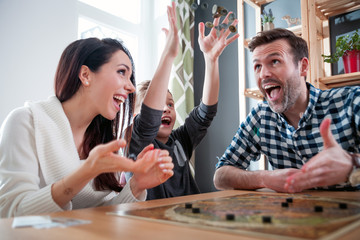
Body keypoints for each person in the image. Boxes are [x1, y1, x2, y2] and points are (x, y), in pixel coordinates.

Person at [0, 21, 176, 217]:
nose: (131, 87)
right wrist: (85, 173)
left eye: (130, 77)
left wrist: (136, 185)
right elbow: (10, 214)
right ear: (85, 75)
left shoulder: (103, 139)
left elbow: (103, 213)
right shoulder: (25, 122)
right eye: (121, 72)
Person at [213, 28, 360, 193]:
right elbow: (221, 176)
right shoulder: (260, 118)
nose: (264, 74)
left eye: (275, 61)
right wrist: (264, 178)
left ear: (303, 67)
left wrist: (353, 166)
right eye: (257, 66)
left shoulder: (352, 101)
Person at [128, 9, 239, 200]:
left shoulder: (180, 141)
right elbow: (147, 121)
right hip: (153, 224)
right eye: (158, 105)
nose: (166, 108)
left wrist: (211, 60)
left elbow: (206, 113)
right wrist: (169, 55)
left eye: (170, 104)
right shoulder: (138, 143)